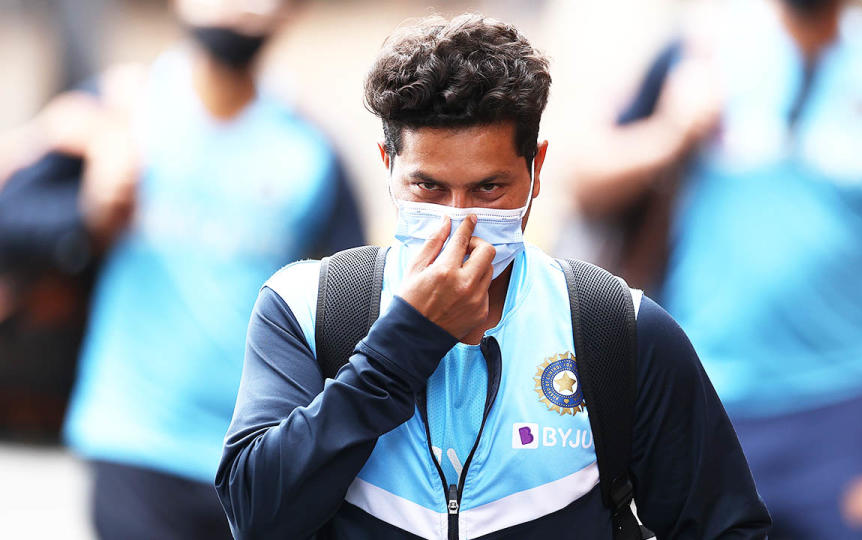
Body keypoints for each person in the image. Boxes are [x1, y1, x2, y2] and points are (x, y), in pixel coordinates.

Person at [216, 14, 771, 539]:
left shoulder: (616, 327)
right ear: (387, 164)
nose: (461, 220)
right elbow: (255, 518)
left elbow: (727, 525)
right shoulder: (307, 308)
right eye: (428, 187)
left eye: (489, 188)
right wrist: (400, 346)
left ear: (537, 171)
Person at [571, 0, 862, 537]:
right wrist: (671, 132)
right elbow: (585, 183)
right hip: (704, 399)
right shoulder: (697, 56)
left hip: (846, 413)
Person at [0, 0, 365, 537]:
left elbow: (349, 306)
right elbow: (13, 217)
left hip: (253, 456)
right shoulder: (120, 110)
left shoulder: (310, 148)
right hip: (134, 440)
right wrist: (88, 210)